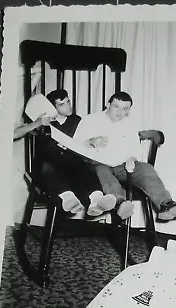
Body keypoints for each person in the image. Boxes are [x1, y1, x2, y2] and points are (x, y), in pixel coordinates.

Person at [73, 91, 176, 221]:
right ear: (108, 104)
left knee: (146, 169)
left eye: (125, 109)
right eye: (116, 107)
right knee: (102, 171)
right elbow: (74, 145)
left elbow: (135, 150)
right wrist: (91, 141)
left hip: (122, 166)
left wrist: (132, 159)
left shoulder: (130, 125)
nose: (120, 112)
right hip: (98, 163)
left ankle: (166, 205)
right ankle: (119, 202)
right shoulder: (90, 120)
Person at [14, 89, 117, 217]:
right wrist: (36, 123)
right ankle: (68, 198)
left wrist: (92, 141)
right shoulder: (44, 122)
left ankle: (96, 199)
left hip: (71, 165)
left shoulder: (77, 121)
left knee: (84, 168)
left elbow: (85, 142)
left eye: (68, 101)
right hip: (47, 166)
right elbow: (14, 134)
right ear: (52, 107)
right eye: (62, 104)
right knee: (49, 167)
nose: (68, 105)